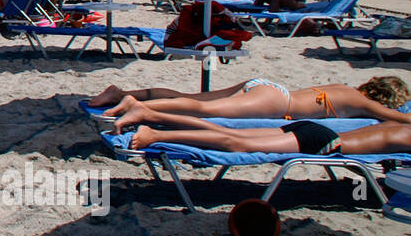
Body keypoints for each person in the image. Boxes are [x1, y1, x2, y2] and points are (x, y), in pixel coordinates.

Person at [90, 76, 411, 133]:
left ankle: (120, 94)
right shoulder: (364, 104)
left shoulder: (345, 88)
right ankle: (137, 107)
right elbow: (393, 118)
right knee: (203, 110)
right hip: (276, 102)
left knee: (192, 99)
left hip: (266, 86)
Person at [129, 115, 411, 157]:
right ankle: (153, 134)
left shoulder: (398, 124)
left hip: (313, 128)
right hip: (324, 142)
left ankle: (153, 119)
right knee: (235, 143)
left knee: (229, 133)